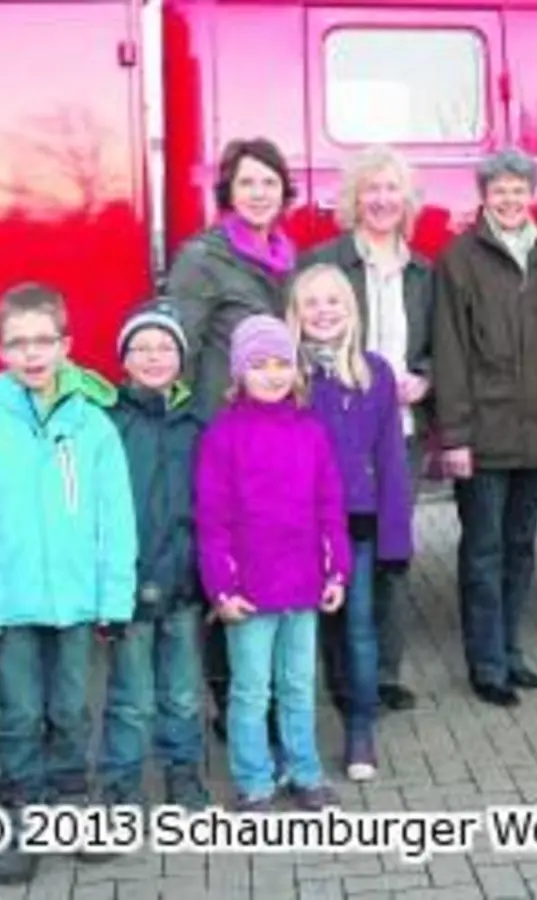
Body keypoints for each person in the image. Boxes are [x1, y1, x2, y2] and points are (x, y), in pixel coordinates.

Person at [0, 283, 136, 885]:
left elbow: (115, 520)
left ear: (66, 345)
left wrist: (114, 600)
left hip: (75, 606)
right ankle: (23, 818)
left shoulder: (94, 428)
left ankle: (70, 811)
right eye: (17, 342)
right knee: (21, 715)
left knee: (71, 711)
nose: (32, 353)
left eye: (43, 340)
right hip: (11, 609)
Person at [432, 148, 537, 707]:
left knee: (521, 547)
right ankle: (486, 664)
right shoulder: (459, 259)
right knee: (483, 551)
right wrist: (456, 434)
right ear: (483, 196)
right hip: (484, 435)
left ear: (531, 194)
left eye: (518, 190)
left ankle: (512, 652)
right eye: (499, 191)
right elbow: (449, 350)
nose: (510, 199)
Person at [165, 136, 298, 738]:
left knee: (272, 559)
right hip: (223, 438)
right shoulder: (203, 257)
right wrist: (188, 439)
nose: (259, 192)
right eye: (247, 182)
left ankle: (266, 691)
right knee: (229, 567)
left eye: (269, 182)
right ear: (228, 191)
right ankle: (231, 700)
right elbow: (179, 350)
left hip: (280, 437)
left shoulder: (291, 258)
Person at [297, 145, 434, 713]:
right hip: (334, 432)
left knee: (391, 555)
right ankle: (341, 677)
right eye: (371, 189)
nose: (381, 200)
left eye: (391, 189)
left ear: (407, 201)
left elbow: (437, 345)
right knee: (334, 553)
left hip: (399, 431)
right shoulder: (324, 259)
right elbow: (299, 330)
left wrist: (426, 381)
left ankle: (383, 673)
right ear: (354, 200)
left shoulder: (424, 270)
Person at [195, 314, 348, 811]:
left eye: (283, 363)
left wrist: (336, 570)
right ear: (239, 372)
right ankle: (255, 780)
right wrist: (221, 589)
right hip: (250, 593)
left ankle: (305, 773)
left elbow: (329, 506)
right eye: (259, 364)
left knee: (299, 685)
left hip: (303, 587)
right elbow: (212, 520)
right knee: (251, 691)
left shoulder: (311, 431)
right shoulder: (223, 436)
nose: (273, 374)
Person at [288, 264, 415, 781]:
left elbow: (390, 460)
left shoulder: (375, 374)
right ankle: (293, 738)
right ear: (295, 314)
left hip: (355, 524)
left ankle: (360, 726)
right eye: (311, 303)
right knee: (298, 635)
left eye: (333, 301)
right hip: (292, 530)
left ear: (352, 311)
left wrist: (395, 536)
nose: (323, 312)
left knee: (359, 629)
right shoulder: (283, 375)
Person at [95, 302, 211, 816]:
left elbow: (213, 505)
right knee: (129, 696)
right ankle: (119, 785)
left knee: (183, 692)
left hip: (185, 583)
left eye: (165, 347)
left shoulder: (198, 423)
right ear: (124, 359)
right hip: (129, 587)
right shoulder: (106, 424)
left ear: (181, 357)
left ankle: (183, 774)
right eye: (140, 348)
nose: (154, 357)